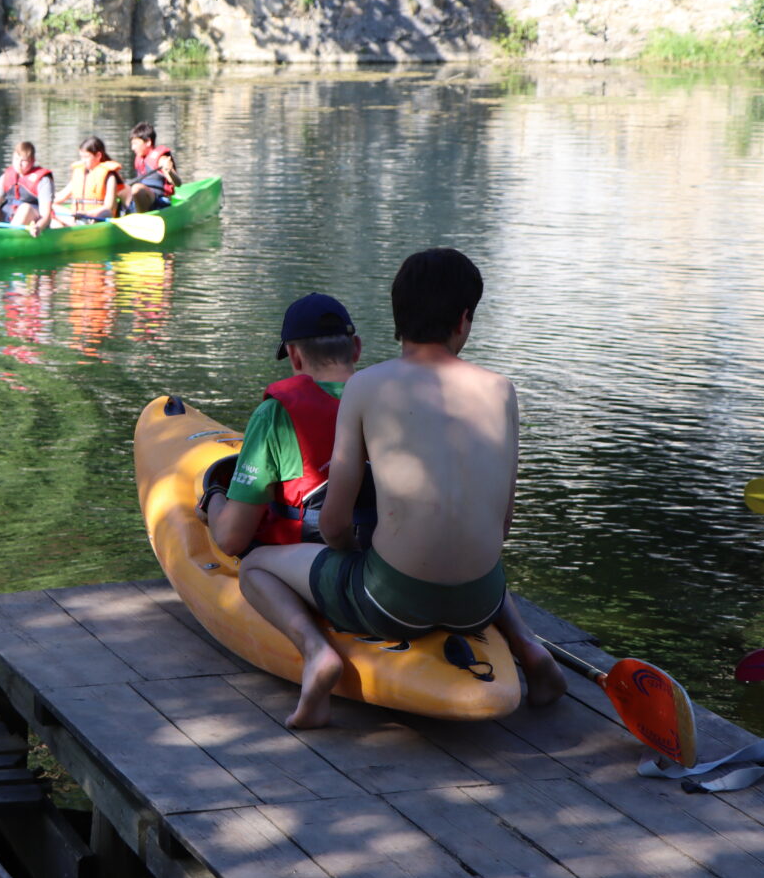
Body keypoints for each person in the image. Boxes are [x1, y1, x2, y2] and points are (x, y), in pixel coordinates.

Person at [237, 249, 567, 729]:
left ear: (397, 319)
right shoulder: (501, 390)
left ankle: (315, 655)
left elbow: (332, 526)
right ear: (463, 319)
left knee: (254, 566)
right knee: (471, 548)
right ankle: (529, 648)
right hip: (480, 601)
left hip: (392, 603)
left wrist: (350, 553)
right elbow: (503, 523)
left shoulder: (367, 387)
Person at [197, 293, 365, 559]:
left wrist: (213, 496)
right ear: (356, 348)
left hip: (309, 564)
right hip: (382, 559)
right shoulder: (391, 403)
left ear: (294, 356)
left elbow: (231, 540)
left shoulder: (275, 415)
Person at [0, 142, 56, 237]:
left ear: (33, 161)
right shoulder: (6, 176)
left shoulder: (43, 181)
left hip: (31, 220)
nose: (19, 164)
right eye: (16, 159)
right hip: (7, 218)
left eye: (24, 161)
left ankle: (7, 240)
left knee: (24, 208)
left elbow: (46, 216)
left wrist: (38, 227)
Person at [52, 136, 122, 225]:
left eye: (86, 157)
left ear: (98, 156)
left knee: (106, 212)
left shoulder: (110, 177)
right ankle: (71, 225)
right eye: (81, 157)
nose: (83, 161)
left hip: (95, 218)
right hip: (77, 218)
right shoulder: (79, 173)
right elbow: (60, 197)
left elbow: (109, 206)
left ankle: (75, 226)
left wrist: (87, 214)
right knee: (50, 206)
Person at [120, 122, 180, 213]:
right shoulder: (140, 158)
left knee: (137, 189)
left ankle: (142, 219)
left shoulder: (161, 159)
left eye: (135, 144)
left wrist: (169, 171)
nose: (133, 148)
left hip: (159, 202)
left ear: (148, 142)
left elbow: (178, 183)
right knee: (119, 187)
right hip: (142, 201)